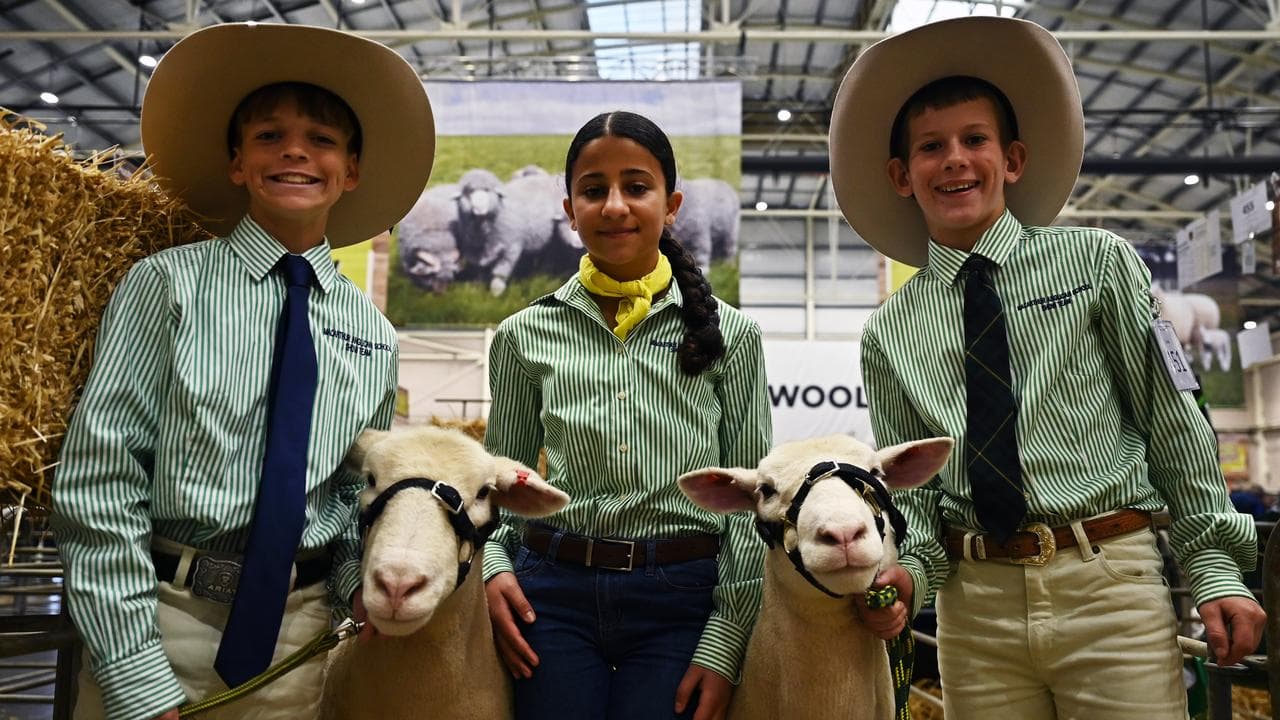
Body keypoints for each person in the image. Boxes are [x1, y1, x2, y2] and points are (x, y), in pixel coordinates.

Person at [827, 16, 1266, 720]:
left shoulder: (1097, 264)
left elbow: (1173, 415)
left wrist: (1214, 567)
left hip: (1110, 585)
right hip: (977, 611)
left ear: (1015, 159)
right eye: (931, 147)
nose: (955, 161)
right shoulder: (890, 330)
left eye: (975, 140)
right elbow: (912, 490)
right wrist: (907, 570)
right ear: (900, 175)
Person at [50, 23, 434, 720]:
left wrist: (356, 588)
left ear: (350, 172)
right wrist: (135, 675)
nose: (294, 149)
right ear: (237, 162)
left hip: (299, 644)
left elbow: (349, 496)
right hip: (164, 621)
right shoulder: (166, 287)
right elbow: (101, 481)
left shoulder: (373, 334)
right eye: (268, 136)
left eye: (321, 139)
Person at [481, 110, 772, 720]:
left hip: (682, 596)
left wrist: (726, 641)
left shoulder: (733, 335)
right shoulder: (520, 335)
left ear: (672, 205)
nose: (614, 206)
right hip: (550, 595)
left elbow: (751, 499)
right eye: (594, 190)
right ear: (569, 210)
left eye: (637, 187)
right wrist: (491, 567)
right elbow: (499, 479)